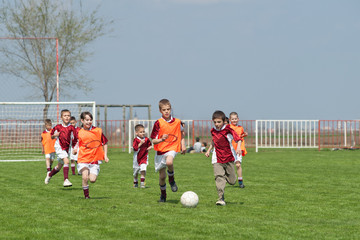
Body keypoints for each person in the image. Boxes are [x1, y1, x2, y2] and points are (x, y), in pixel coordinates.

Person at [150, 99, 186, 202]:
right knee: (161, 177)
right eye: (164, 110)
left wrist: (183, 145)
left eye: (168, 109)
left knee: (169, 161)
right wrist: (161, 139)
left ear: (171, 109)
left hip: (173, 147)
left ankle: (172, 180)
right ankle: (163, 195)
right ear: (160, 111)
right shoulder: (158, 123)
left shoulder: (177, 122)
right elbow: (153, 140)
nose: (166, 111)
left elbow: (182, 132)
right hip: (161, 151)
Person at [205, 110, 242, 206]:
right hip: (217, 157)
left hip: (229, 157)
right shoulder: (213, 130)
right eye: (215, 122)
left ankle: (224, 176)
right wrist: (209, 150)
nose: (217, 124)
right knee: (219, 177)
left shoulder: (228, 129)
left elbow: (238, 139)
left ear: (224, 121)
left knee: (233, 181)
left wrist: (238, 148)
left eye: (219, 122)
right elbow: (213, 140)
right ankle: (221, 198)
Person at [74, 111, 109, 199]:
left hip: (94, 159)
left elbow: (105, 142)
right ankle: (87, 196)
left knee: (92, 180)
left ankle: (90, 173)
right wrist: (75, 148)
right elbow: (76, 142)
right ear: (82, 121)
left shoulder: (98, 131)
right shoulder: (79, 131)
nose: (89, 122)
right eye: (87, 120)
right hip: (83, 158)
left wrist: (105, 155)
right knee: (85, 177)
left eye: (90, 120)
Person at [44, 109, 77, 187]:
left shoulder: (72, 128)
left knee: (59, 167)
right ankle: (66, 180)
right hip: (59, 147)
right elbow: (51, 136)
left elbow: (75, 138)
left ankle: (49, 175)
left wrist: (74, 148)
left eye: (68, 116)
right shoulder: (58, 127)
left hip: (66, 149)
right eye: (65, 116)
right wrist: (55, 135)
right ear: (61, 118)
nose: (67, 117)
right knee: (67, 161)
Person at [229, 112, 248, 188]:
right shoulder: (228, 127)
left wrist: (245, 134)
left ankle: (240, 182)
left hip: (239, 148)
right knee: (228, 165)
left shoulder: (240, 128)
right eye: (232, 119)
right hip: (230, 148)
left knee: (238, 164)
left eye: (235, 119)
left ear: (238, 119)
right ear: (230, 120)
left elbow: (241, 135)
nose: (234, 120)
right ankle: (228, 179)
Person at [133, 124, 152, 188]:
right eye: (141, 132)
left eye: (143, 131)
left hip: (144, 157)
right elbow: (135, 148)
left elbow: (150, 145)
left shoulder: (146, 139)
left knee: (143, 169)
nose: (143, 133)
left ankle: (142, 183)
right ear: (136, 133)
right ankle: (135, 182)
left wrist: (149, 148)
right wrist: (140, 143)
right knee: (135, 172)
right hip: (137, 158)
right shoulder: (136, 140)